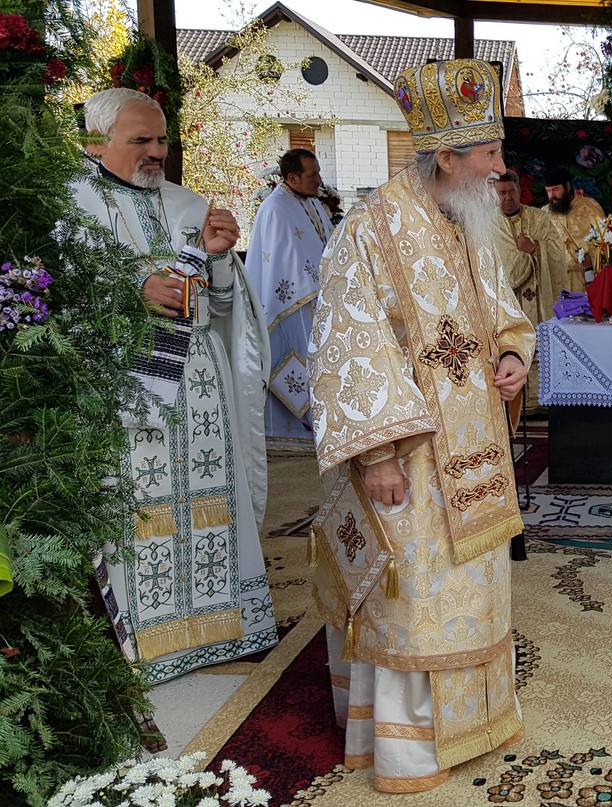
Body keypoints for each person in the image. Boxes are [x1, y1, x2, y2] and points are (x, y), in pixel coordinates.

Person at [308, 59, 533, 792]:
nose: (502, 169)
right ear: (449, 157)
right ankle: (408, 748)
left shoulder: (467, 219)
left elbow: (501, 308)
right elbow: (351, 347)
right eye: (490, 155)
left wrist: (509, 352)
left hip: (477, 450)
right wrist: (375, 453)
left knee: (474, 585)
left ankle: (480, 718)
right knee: (417, 593)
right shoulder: (368, 230)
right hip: (411, 452)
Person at [70, 88, 274, 683]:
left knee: (214, 500)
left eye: (161, 140)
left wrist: (216, 257)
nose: (157, 152)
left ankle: (225, 624)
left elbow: (227, 302)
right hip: (130, 389)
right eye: (141, 141)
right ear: (97, 143)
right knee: (141, 509)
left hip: (202, 385)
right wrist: (129, 296)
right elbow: (50, 306)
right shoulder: (69, 208)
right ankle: (151, 638)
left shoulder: (190, 205)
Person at [245, 148, 335, 451]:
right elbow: (282, 263)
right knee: (297, 361)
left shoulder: (314, 204)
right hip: (291, 304)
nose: (319, 180)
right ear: (293, 177)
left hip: (318, 299)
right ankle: (296, 431)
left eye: (319, 173)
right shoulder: (275, 208)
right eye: (313, 175)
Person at [494, 169, 568, 413]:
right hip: (506, 301)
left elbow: (558, 253)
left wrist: (535, 248)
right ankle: (516, 404)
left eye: (512, 191)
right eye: (502, 192)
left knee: (540, 345)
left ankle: (541, 400)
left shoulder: (539, 218)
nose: (507, 197)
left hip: (539, 299)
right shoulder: (488, 223)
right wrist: (520, 257)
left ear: (519, 191)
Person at [542, 166, 606, 291]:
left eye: (555, 189)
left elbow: (604, 241)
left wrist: (591, 260)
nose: (552, 195)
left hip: (583, 277)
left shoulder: (590, 206)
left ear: (567, 186)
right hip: (554, 278)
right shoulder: (544, 213)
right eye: (548, 191)